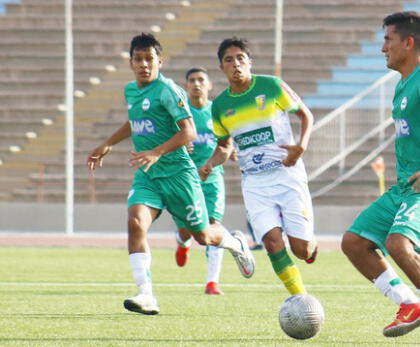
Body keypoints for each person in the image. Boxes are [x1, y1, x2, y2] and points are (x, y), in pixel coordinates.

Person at [86, 33, 255, 315]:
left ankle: (235, 242)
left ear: (159, 61)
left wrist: (156, 152)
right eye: (138, 59)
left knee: (202, 236)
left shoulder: (168, 91)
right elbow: (135, 122)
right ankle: (146, 294)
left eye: (149, 59)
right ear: (130, 63)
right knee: (136, 223)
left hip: (179, 174)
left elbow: (188, 131)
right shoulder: (131, 90)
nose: (144, 64)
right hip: (148, 175)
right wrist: (107, 144)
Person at [340, 12, 420, 344]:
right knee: (354, 243)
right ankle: (410, 304)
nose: (383, 48)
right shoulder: (403, 83)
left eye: (388, 40)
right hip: (404, 188)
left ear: (408, 43)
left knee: (399, 244)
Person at [201, 37, 317, 296]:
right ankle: (301, 299)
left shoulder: (272, 86)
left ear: (250, 62)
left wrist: (301, 146)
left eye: (241, 58)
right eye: (229, 60)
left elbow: (305, 114)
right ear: (222, 68)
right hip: (254, 182)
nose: (236, 64)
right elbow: (223, 146)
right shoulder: (219, 106)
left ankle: (311, 244)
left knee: (302, 250)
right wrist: (209, 163)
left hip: (287, 174)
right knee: (272, 243)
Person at [173, 67, 228, 295]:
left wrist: (217, 160)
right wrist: (181, 144)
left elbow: (227, 142)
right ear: (186, 86)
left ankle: (212, 282)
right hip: (186, 179)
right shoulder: (180, 113)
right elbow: (169, 142)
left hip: (213, 178)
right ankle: (182, 241)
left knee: (213, 224)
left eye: (201, 80)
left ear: (209, 85)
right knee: (188, 230)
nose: (196, 84)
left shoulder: (216, 112)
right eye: (192, 80)